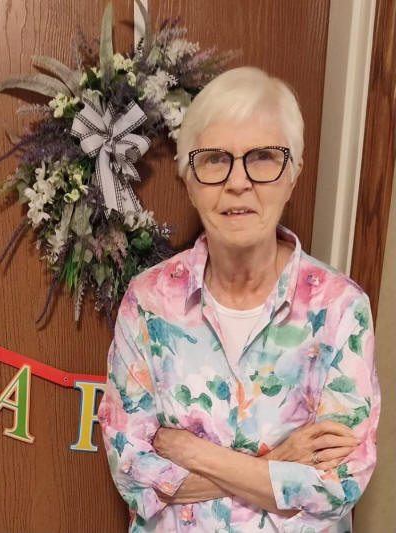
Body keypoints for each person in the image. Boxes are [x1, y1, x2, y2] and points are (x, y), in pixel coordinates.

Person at [98, 66, 380, 533]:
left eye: (264, 157)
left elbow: (338, 487)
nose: (238, 182)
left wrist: (191, 452)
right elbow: (131, 470)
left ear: (293, 174)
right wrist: (281, 462)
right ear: (189, 180)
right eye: (214, 159)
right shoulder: (148, 302)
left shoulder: (340, 309)